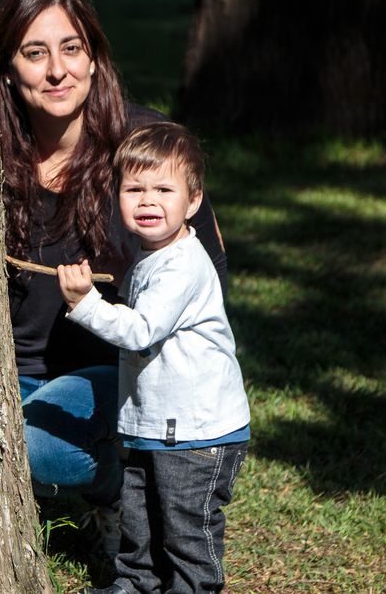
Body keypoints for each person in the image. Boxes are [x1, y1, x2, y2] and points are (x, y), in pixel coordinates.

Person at [0, 0, 229, 553]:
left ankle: (120, 489)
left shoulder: (147, 150)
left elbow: (208, 278)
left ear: (94, 59)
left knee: (32, 450)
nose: (57, 71)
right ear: (7, 68)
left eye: (72, 48)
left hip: (110, 370)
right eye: (35, 52)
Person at [57, 122, 250, 594]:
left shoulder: (183, 264)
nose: (148, 200)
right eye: (134, 188)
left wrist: (85, 305)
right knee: (140, 519)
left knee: (185, 527)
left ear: (193, 201)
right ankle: (137, 584)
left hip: (199, 430)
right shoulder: (152, 257)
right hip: (158, 425)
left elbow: (141, 332)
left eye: (164, 189)